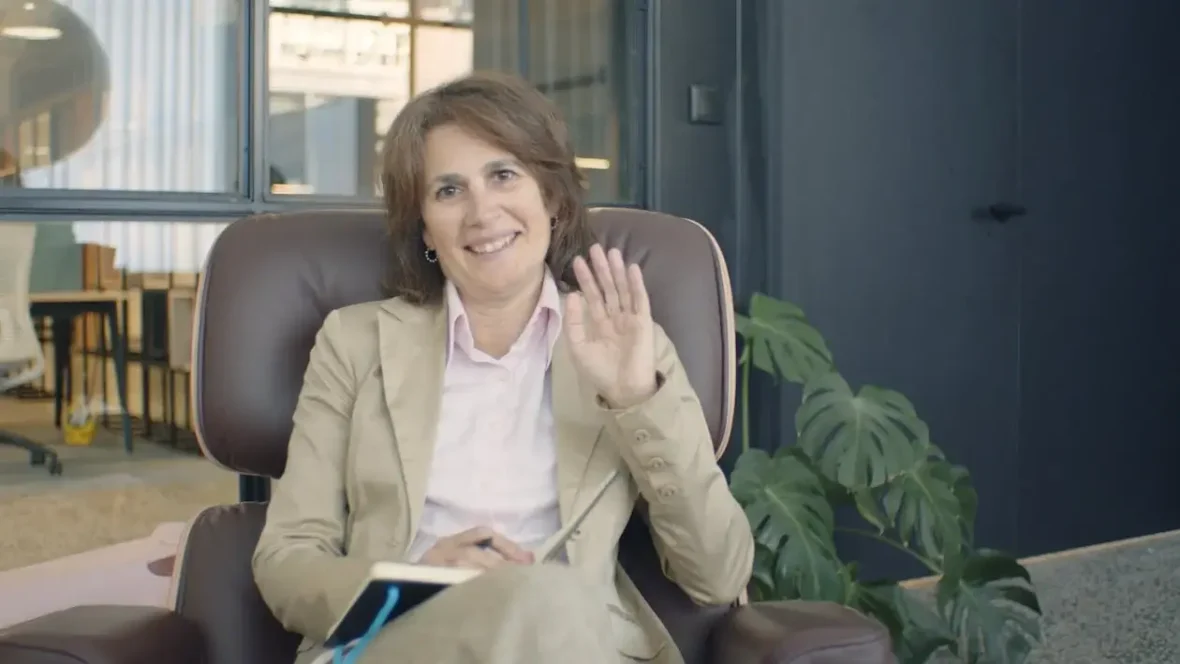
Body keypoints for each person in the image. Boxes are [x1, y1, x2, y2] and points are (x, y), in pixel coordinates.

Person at [251, 71, 754, 664]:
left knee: (550, 601)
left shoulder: (626, 345)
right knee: (545, 598)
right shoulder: (355, 343)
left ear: (553, 198)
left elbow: (718, 576)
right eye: (448, 191)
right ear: (426, 229)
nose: (481, 212)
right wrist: (416, 580)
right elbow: (285, 561)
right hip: (401, 639)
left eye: (503, 175)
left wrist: (636, 397)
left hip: (567, 640)